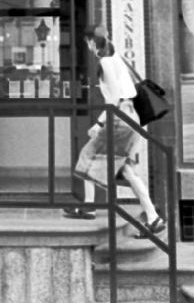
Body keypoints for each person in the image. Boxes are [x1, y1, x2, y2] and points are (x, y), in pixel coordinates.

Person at [64, 25, 167, 237]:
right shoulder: (117, 57)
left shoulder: (105, 61)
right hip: (131, 118)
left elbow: (114, 98)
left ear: (93, 42)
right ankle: (153, 217)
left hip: (120, 117)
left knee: (88, 155)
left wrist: (99, 123)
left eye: (87, 42)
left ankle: (89, 207)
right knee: (126, 169)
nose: (88, 46)